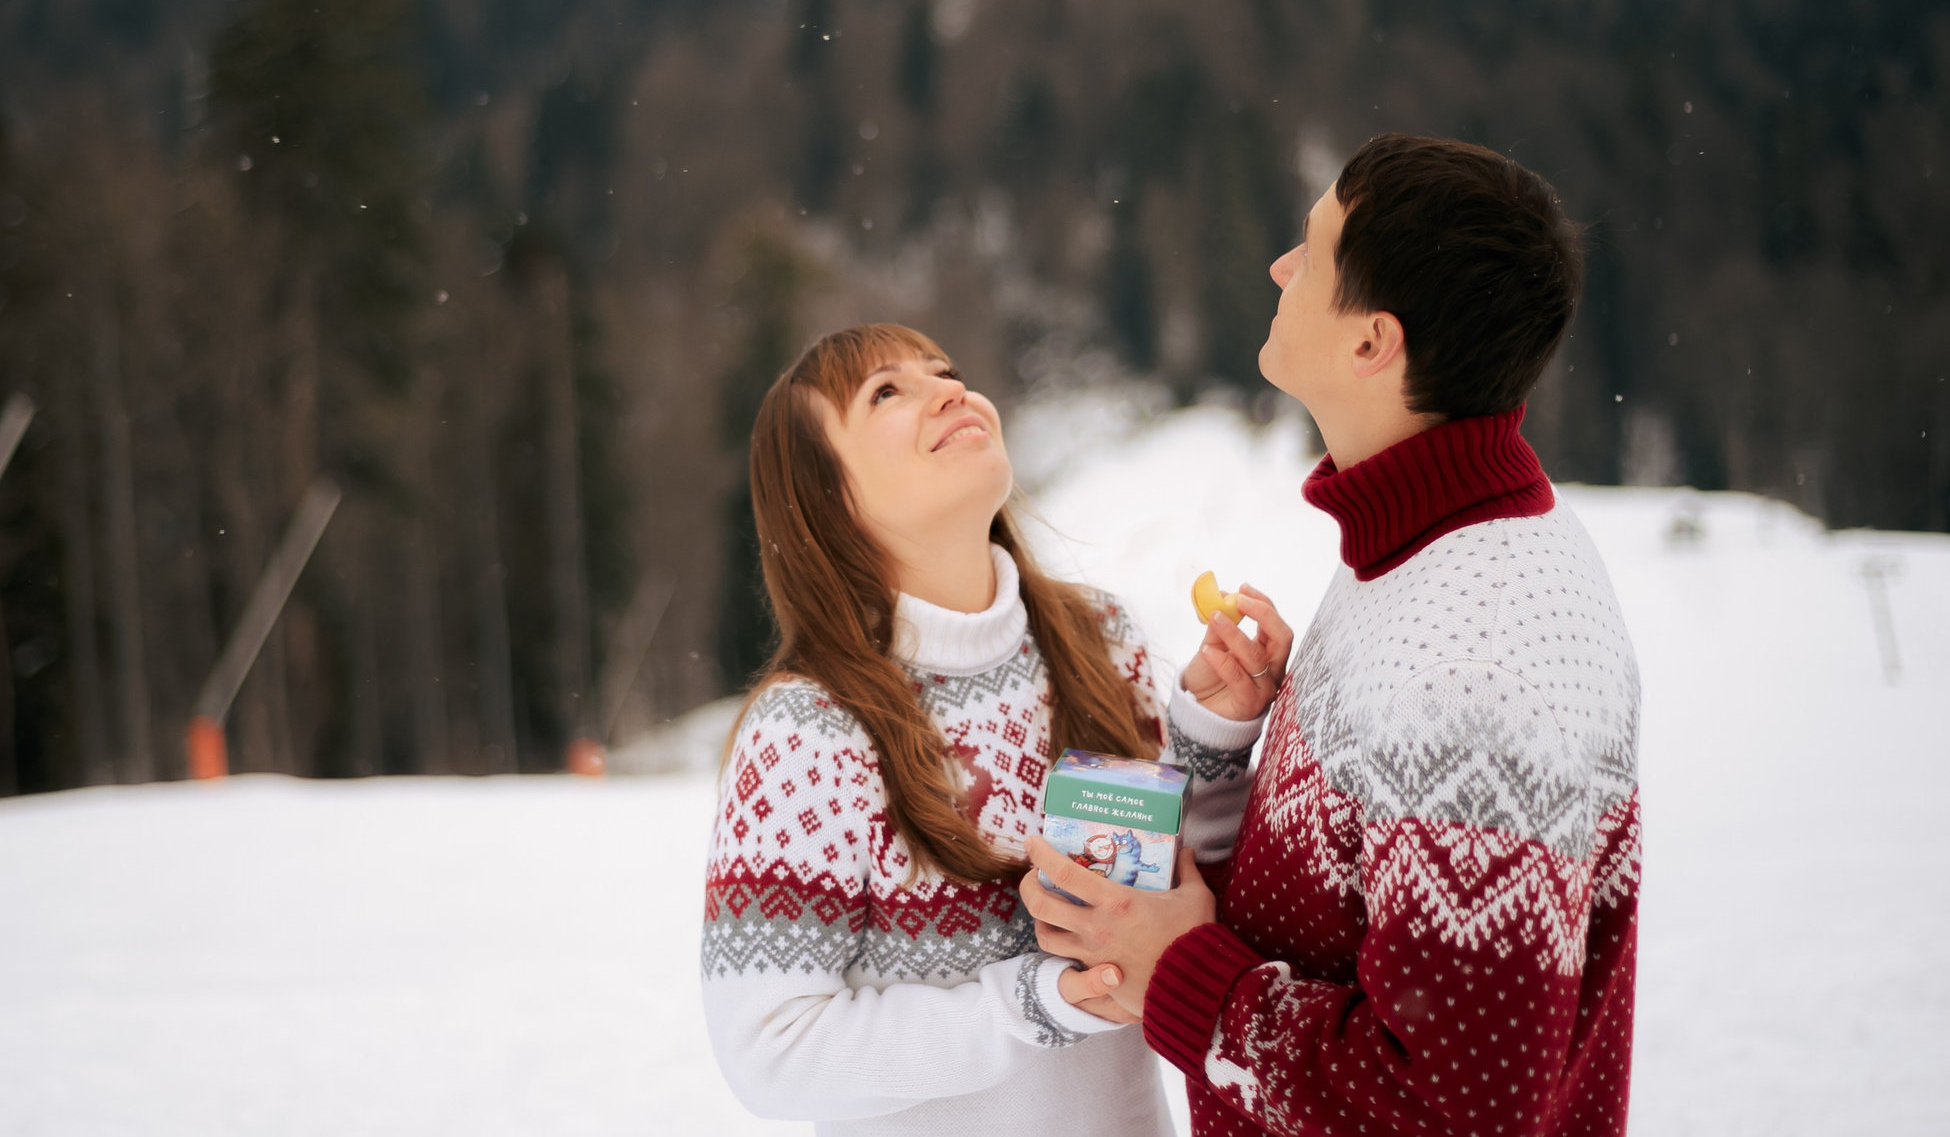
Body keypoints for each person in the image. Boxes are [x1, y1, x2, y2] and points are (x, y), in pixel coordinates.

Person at [1023, 134, 1642, 1137]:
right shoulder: (1416, 550)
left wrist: (1187, 978)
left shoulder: (1473, 656)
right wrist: (1220, 758)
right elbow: (1334, 917)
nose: (1280, 267)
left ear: (1370, 342)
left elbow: (1456, 1112)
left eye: (1309, 252)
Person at [700, 323, 1296, 1135]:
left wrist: (1213, 738)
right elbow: (772, 1049)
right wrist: (1028, 1005)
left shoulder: (1100, 640)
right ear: (827, 498)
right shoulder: (808, 731)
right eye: (887, 391)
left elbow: (1181, 896)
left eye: (945, 370)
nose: (950, 389)